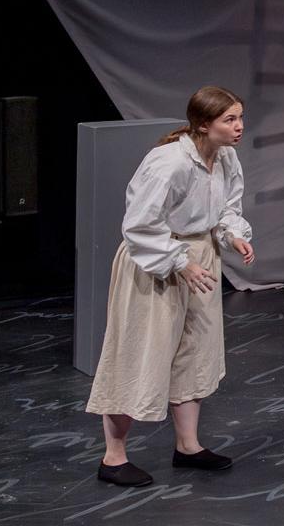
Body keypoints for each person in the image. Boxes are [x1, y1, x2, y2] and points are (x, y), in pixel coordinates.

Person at [84, 86, 255, 487]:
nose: (239, 126)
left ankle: (188, 446)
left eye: (240, 117)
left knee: (195, 352)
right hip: (156, 261)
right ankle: (113, 457)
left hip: (201, 257)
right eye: (230, 119)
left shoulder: (226, 157)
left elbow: (228, 207)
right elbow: (140, 226)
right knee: (140, 354)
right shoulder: (169, 163)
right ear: (202, 124)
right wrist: (180, 261)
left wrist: (232, 236)